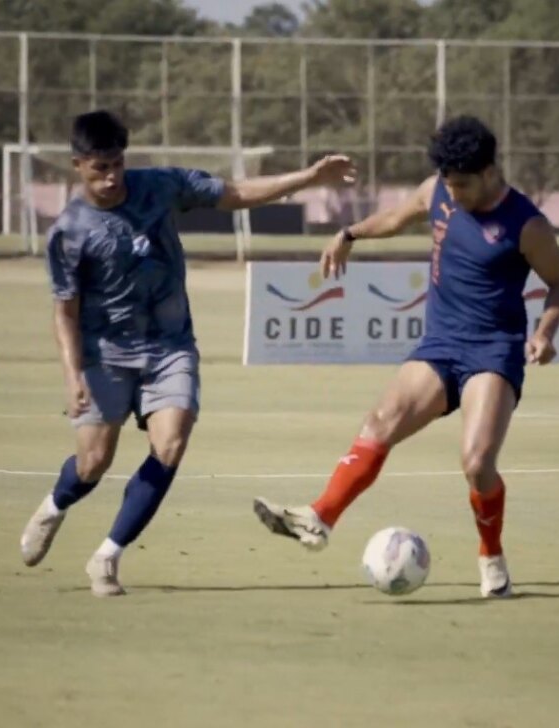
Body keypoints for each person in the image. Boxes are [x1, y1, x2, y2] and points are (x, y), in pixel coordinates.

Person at [19, 109, 356, 597]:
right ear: (77, 165)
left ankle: (107, 557)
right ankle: (54, 506)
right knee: (92, 463)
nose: (112, 177)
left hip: (169, 345)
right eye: (100, 169)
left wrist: (308, 177)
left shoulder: (160, 186)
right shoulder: (68, 232)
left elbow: (233, 194)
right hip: (104, 353)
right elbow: (65, 313)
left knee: (171, 444)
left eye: (117, 164)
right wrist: (73, 377)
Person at [251, 116, 559, 598]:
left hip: (493, 349)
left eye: (462, 184)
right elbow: (398, 217)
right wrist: (351, 234)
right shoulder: (438, 190)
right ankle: (319, 518)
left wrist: (546, 333)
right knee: (380, 420)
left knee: (476, 461)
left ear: (489, 172)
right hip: (440, 343)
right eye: (447, 183)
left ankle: (491, 556)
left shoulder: (527, 225)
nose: (453, 193)